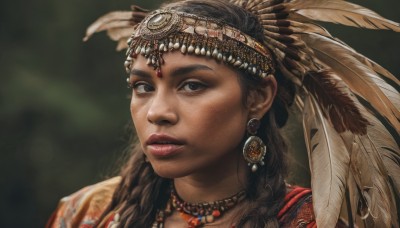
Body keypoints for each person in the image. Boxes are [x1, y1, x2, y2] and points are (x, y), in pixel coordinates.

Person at [46, 0, 400, 227]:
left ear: (259, 97)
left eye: (192, 85)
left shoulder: (313, 222)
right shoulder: (86, 214)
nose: (157, 112)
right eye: (143, 87)